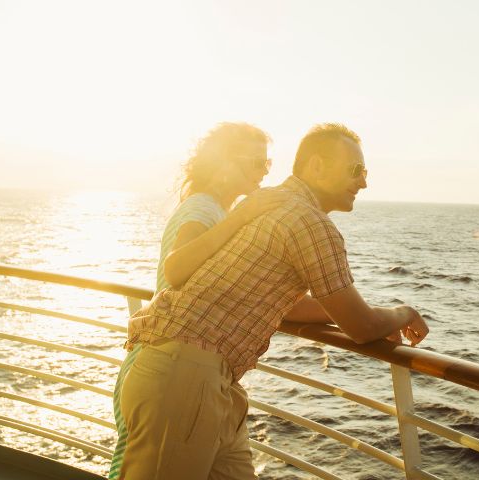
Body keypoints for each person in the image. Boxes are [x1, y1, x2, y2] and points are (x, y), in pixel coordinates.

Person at [119, 123, 429, 479]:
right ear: (316, 166)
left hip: (200, 377)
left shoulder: (272, 207)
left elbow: (279, 301)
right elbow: (362, 327)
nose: (363, 182)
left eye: (365, 172)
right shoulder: (309, 223)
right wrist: (403, 313)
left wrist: (343, 314)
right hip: (187, 378)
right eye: (355, 170)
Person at [109, 122, 279, 480]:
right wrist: (247, 215)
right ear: (223, 164)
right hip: (170, 365)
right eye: (254, 163)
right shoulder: (204, 210)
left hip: (194, 370)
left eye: (266, 164)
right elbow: (178, 268)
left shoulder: (217, 213)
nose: (262, 173)